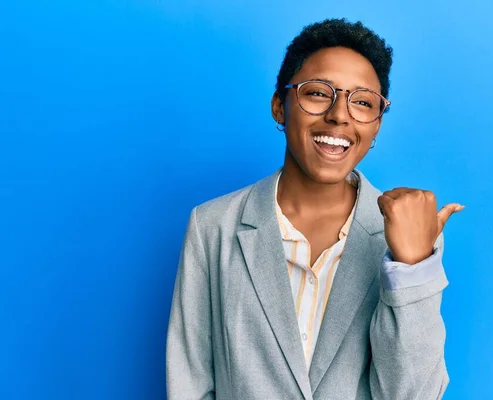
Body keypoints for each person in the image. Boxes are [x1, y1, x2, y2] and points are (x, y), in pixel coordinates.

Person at [166, 18, 464, 400]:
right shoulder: (213, 226)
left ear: (376, 126)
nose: (340, 115)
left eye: (362, 102)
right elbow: (189, 383)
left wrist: (412, 266)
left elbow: (413, 395)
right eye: (319, 93)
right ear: (279, 106)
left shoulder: (409, 233)